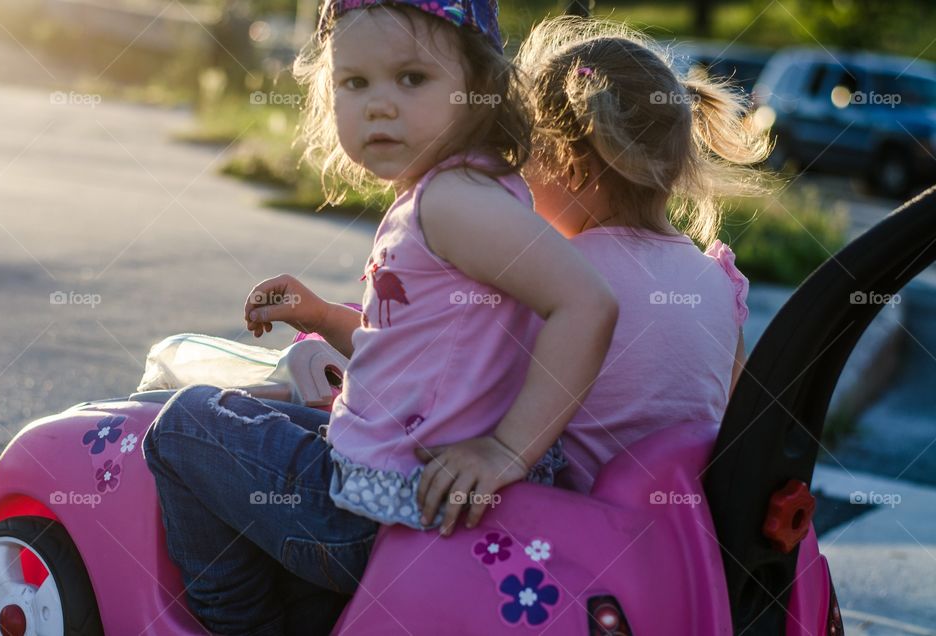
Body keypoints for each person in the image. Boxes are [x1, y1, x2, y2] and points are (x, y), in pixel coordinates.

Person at [141, 3, 618, 634]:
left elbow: (587, 304)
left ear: (480, 89)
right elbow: (413, 343)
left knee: (182, 429)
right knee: (255, 415)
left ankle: (245, 623)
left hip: (374, 514)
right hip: (394, 484)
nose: (379, 104)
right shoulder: (470, 189)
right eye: (355, 82)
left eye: (412, 79)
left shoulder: (450, 203)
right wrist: (318, 315)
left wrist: (507, 449)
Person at [515, 16, 771, 494]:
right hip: (684, 540)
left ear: (571, 165)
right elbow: (742, 424)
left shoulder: (554, 279)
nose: (518, 173)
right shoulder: (718, 282)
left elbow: (480, 397)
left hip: (569, 545)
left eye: (526, 152)